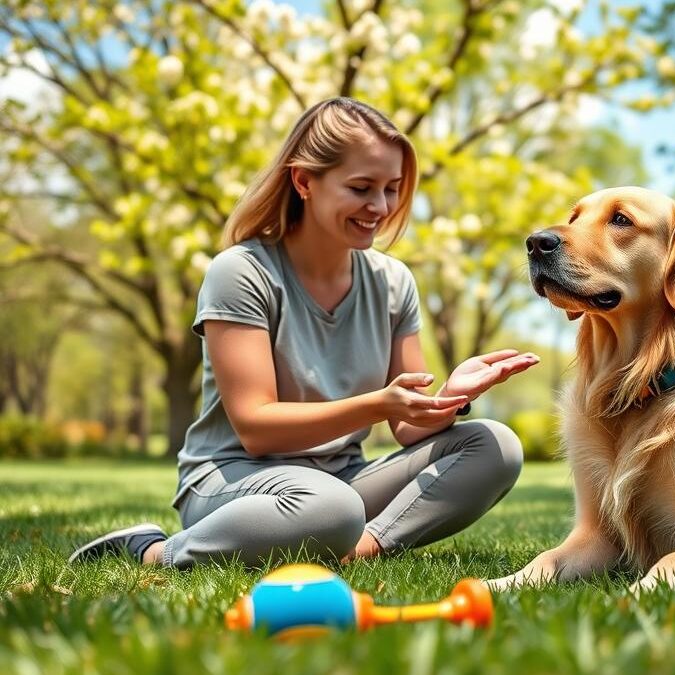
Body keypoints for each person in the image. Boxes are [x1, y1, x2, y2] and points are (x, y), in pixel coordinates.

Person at [69, 97, 538, 568]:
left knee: (495, 446)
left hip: (341, 486)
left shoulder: (393, 282)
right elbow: (256, 428)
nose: (380, 206)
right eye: (361, 187)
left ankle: (361, 547)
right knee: (330, 507)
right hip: (235, 480)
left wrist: (450, 397)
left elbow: (406, 426)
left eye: (392, 189)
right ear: (304, 182)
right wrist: (378, 404)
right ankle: (153, 550)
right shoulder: (241, 272)